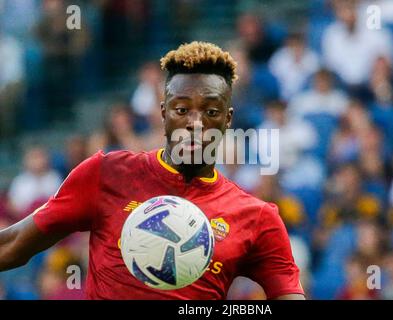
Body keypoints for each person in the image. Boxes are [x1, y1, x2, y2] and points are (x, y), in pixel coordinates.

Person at [0, 41, 305, 300]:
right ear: (163, 113)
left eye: (211, 112)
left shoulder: (256, 216)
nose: (195, 124)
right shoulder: (106, 174)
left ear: (228, 119)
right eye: (182, 109)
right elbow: (13, 245)